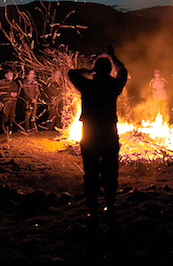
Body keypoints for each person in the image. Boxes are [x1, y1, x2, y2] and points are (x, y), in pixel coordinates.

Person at [67, 45, 127, 228]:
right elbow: (123, 71)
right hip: (109, 133)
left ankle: (92, 212)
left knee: (91, 174)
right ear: (109, 70)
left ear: (96, 70)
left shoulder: (87, 85)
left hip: (91, 134)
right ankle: (110, 208)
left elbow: (71, 73)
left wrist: (88, 71)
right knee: (110, 173)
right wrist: (113, 57)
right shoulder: (113, 86)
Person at [0, 69, 19, 134]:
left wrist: (16, 94)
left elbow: (16, 90)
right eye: (9, 75)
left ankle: (11, 129)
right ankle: (3, 129)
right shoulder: (2, 82)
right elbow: (1, 92)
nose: (11, 76)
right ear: (6, 75)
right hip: (6, 101)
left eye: (12, 75)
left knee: (12, 115)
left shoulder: (14, 83)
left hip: (13, 101)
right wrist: (10, 94)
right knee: (5, 115)